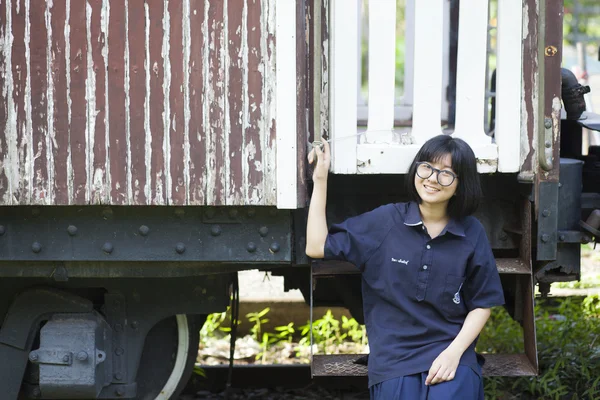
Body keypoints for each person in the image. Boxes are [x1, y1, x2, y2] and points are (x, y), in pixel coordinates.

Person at [305, 134, 505, 400]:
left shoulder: (471, 232)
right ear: (416, 169)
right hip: (394, 359)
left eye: (446, 174)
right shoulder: (386, 221)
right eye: (427, 167)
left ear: (460, 184)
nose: (433, 179)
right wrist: (320, 179)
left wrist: (453, 353)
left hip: (452, 351)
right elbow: (316, 247)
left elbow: (482, 303)